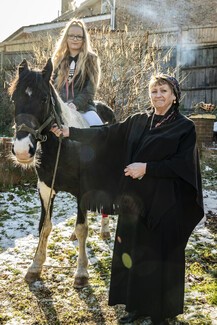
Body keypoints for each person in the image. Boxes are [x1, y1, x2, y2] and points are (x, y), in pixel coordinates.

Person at [51, 74, 204, 325]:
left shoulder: (184, 127)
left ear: (174, 95)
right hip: (134, 201)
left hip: (164, 203)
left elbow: (182, 165)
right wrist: (70, 132)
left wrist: (147, 168)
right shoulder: (138, 121)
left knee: (158, 255)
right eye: (153, 91)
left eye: (163, 90)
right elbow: (107, 134)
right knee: (134, 252)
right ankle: (135, 306)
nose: (157, 95)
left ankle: (160, 312)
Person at [51, 18, 104, 126]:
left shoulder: (91, 59)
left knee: (98, 128)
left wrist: (75, 104)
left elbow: (90, 89)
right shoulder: (58, 60)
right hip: (60, 108)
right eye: (71, 36)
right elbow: (52, 87)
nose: (75, 39)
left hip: (84, 109)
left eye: (79, 36)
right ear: (66, 38)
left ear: (84, 39)